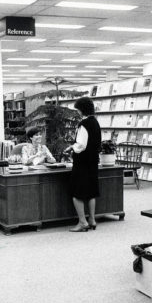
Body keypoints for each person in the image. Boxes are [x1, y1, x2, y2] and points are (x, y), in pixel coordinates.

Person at [64, 96, 101, 232]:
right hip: (93, 161)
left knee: (76, 192)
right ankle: (92, 219)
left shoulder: (83, 124)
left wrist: (72, 148)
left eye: (78, 109)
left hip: (82, 162)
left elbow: (81, 145)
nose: (77, 112)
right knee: (91, 192)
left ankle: (82, 222)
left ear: (81, 110)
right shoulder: (95, 122)